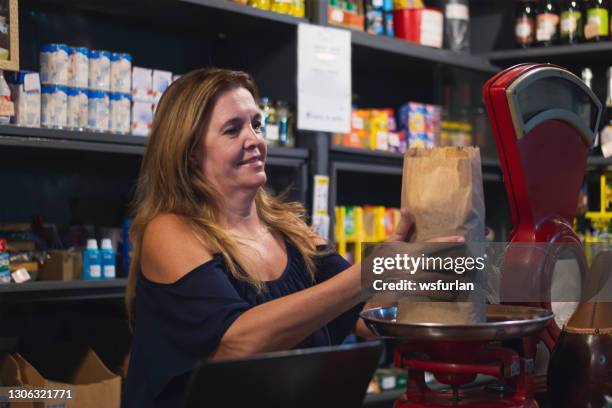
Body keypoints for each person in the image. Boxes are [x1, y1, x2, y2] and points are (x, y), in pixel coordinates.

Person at [123, 68, 461, 407]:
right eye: (232, 129)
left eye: (256, 124)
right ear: (190, 151)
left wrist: (439, 272)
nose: (254, 139)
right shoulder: (169, 232)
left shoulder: (290, 230)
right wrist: (372, 272)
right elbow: (238, 344)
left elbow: (365, 313)